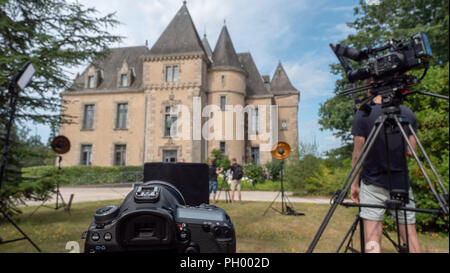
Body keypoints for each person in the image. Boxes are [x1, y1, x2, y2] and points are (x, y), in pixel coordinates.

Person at [350, 85, 422, 253]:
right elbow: (411, 151)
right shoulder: (407, 112)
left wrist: (354, 184)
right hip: (401, 183)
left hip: (372, 182)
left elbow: (358, 155)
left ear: (371, 89)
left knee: (372, 239)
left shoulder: (364, 113)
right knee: (410, 236)